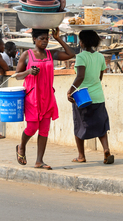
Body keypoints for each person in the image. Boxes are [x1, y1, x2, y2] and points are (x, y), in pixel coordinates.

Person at [15, 28, 75, 170]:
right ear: (34, 39)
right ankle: (21, 146)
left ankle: (39, 161)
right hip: (32, 97)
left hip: (47, 97)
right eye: (42, 38)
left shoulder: (51, 54)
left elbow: (71, 54)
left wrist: (58, 38)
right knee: (32, 127)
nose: (45, 41)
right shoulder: (27, 55)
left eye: (47, 39)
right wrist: (29, 71)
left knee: (44, 130)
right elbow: (17, 75)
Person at [66, 30, 114, 164]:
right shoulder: (100, 56)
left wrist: (70, 90)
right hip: (98, 95)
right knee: (101, 125)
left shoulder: (81, 57)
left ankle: (81, 156)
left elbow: (80, 77)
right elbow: (100, 77)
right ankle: (106, 149)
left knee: (79, 125)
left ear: (82, 42)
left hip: (83, 96)